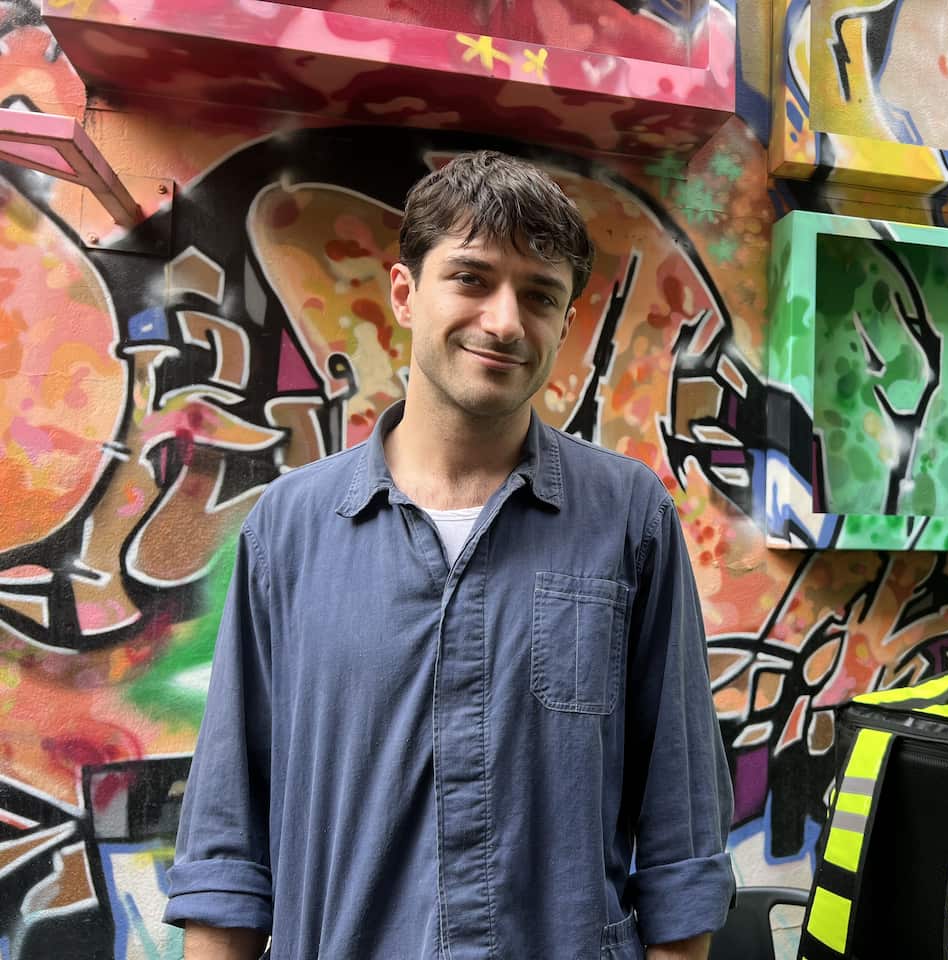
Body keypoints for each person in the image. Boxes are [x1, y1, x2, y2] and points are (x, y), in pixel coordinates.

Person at [162, 150, 735, 959]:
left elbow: (681, 837)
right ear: (405, 293)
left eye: (539, 295)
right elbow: (228, 846)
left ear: (565, 324)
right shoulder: (289, 529)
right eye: (471, 278)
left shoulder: (629, 519)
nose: (505, 321)